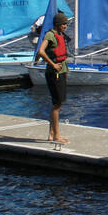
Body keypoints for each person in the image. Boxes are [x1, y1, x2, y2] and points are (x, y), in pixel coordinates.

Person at [36, 11, 70, 143]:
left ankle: (51, 134)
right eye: (63, 24)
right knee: (57, 104)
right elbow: (41, 51)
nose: (65, 26)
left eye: (66, 24)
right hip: (54, 73)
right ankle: (56, 136)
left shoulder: (60, 35)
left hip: (62, 72)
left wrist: (65, 71)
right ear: (58, 24)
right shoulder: (50, 35)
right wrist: (53, 64)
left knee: (57, 103)